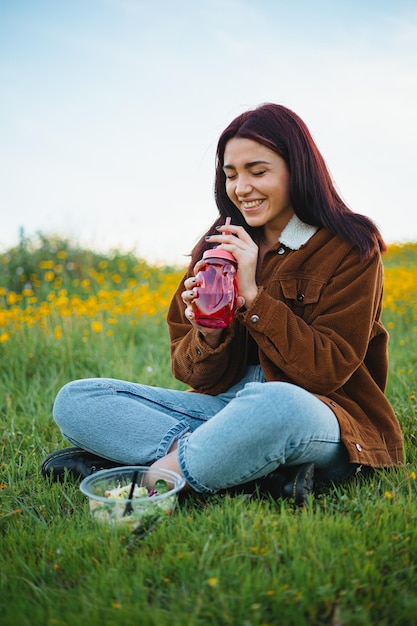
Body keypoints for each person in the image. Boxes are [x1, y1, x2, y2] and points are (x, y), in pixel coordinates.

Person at [42, 103, 404, 505]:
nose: (241, 188)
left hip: (318, 415)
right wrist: (209, 332)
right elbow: (190, 372)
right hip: (223, 412)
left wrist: (252, 296)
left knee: (274, 403)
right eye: (231, 175)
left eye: (258, 171)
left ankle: (161, 477)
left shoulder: (348, 246)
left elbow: (326, 371)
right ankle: (253, 473)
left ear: (297, 169)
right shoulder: (216, 246)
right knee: (79, 400)